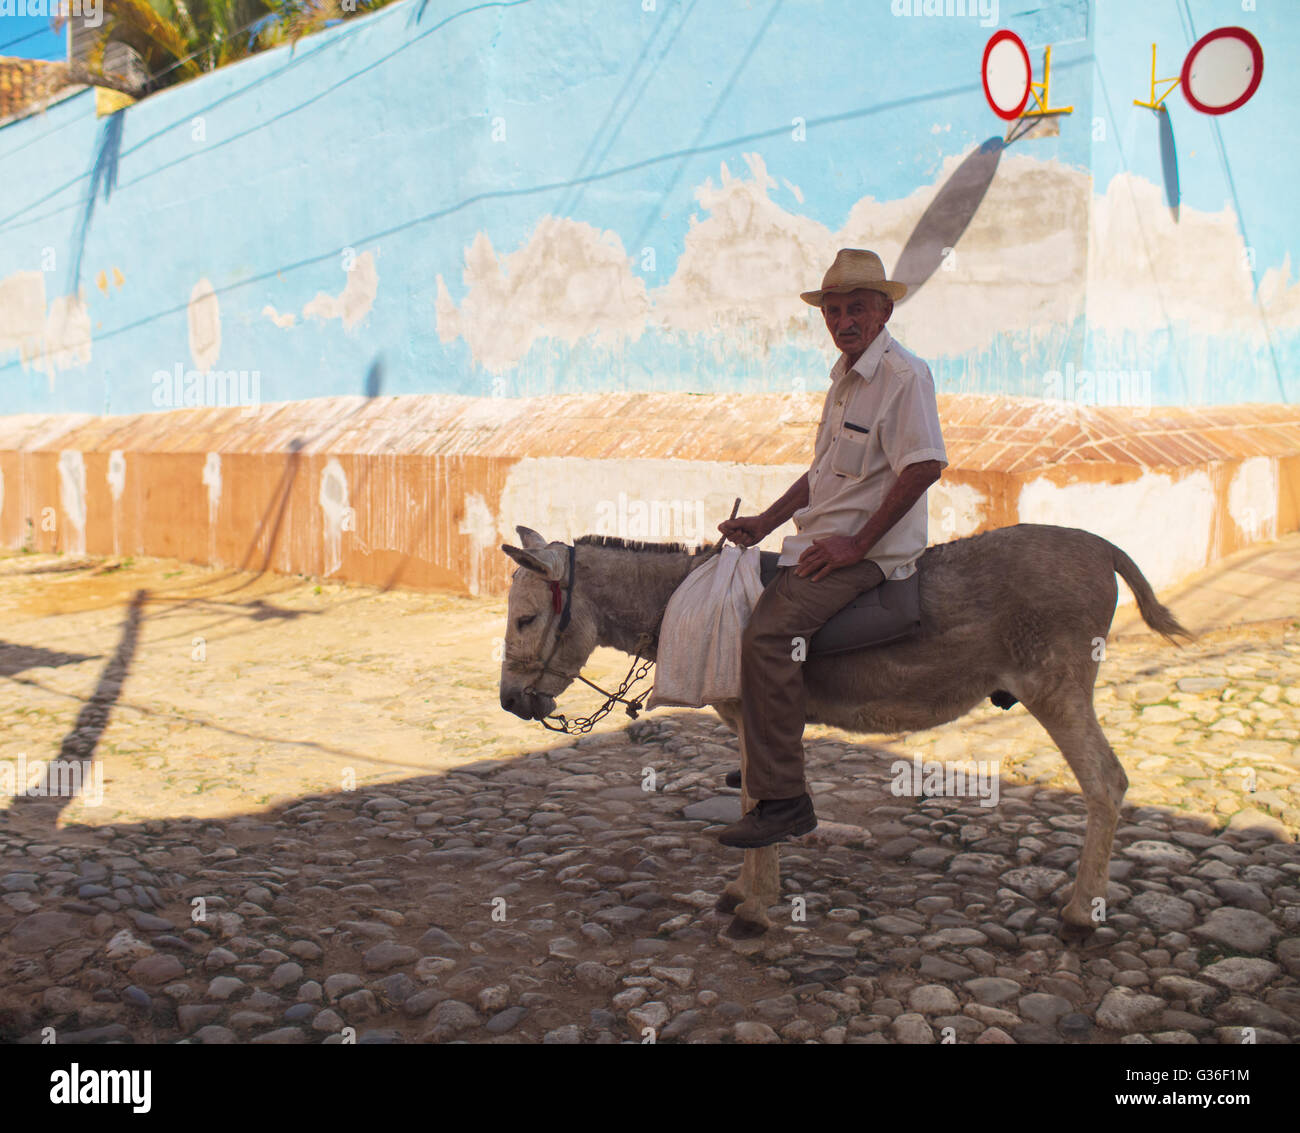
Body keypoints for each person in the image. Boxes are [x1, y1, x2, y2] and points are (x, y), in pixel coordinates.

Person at [714, 248, 948, 848]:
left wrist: (858, 545)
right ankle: (765, 750)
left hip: (868, 554)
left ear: (884, 310)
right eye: (835, 310)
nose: (844, 320)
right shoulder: (844, 378)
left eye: (857, 309)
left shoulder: (903, 376)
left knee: (766, 636)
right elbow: (823, 473)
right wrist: (765, 521)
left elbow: (923, 467)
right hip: (818, 539)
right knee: (730, 590)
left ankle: (785, 800)